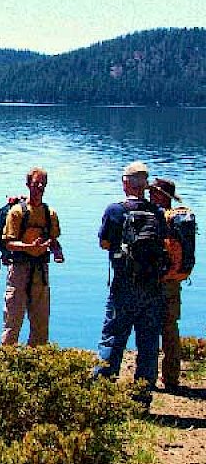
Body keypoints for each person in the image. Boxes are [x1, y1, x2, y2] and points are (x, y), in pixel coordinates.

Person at [93, 161, 166, 407]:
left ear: (125, 183)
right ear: (144, 185)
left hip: (124, 285)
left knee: (112, 338)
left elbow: (104, 242)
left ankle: (102, 396)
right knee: (148, 342)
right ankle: (142, 399)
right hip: (152, 287)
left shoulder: (115, 210)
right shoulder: (157, 212)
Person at [0, 167, 62, 346]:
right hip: (19, 270)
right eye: (36, 184)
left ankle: (37, 358)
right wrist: (30, 247)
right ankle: (6, 358)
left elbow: (54, 240)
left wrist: (57, 252)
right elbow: (9, 243)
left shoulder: (50, 214)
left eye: (43, 184)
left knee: (41, 322)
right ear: (28, 185)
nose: (40, 187)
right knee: (13, 320)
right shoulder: (16, 212)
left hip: (40, 271)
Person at [149, 176, 187, 393]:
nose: (149, 195)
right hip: (174, 281)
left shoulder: (161, 219)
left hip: (159, 280)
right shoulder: (179, 218)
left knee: (151, 326)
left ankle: (150, 375)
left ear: (160, 195)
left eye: (152, 192)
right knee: (170, 327)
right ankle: (171, 377)